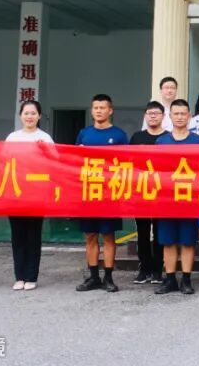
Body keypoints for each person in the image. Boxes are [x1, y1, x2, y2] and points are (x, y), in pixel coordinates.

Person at [74, 94, 129, 294]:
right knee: (90, 236)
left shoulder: (119, 135)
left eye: (102, 108)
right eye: (95, 108)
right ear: (92, 110)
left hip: (110, 193)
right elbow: (75, 161)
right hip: (89, 192)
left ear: (110, 110)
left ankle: (108, 277)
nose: (99, 111)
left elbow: (126, 164)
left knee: (108, 236)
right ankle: (93, 276)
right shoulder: (84, 134)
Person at [155, 99, 199, 295]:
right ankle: (169, 279)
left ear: (189, 116)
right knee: (168, 241)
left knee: (187, 241)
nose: (179, 117)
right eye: (176, 114)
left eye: (183, 113)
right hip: (167, 199)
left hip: (189, 199)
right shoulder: (161, 142)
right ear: (170, 116)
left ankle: (186, 279)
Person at [6, 100, 53, 291]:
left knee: (33, 236)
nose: (29, 116)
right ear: (20, 115)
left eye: (33, 113)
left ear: (39, 116)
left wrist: (45, 151)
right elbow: (3, 161)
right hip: (15, 193)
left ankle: (31, 276)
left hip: (36, 194)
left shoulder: (45, 138)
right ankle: (19, 277)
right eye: (26, 113)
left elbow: (55, 162)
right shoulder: (13, 137)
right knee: (18, 236)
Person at [128, 101, 167, 285]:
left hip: (162, 192)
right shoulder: (137, 137)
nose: (153, 116)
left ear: (163, 116)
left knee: (160, 232)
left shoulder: (167, 138)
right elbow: (129, 162)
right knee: (142, 232)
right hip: (141, 190)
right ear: (145, 116)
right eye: (150, 113)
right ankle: (144, 269)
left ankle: (158, 270)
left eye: (156, 113)